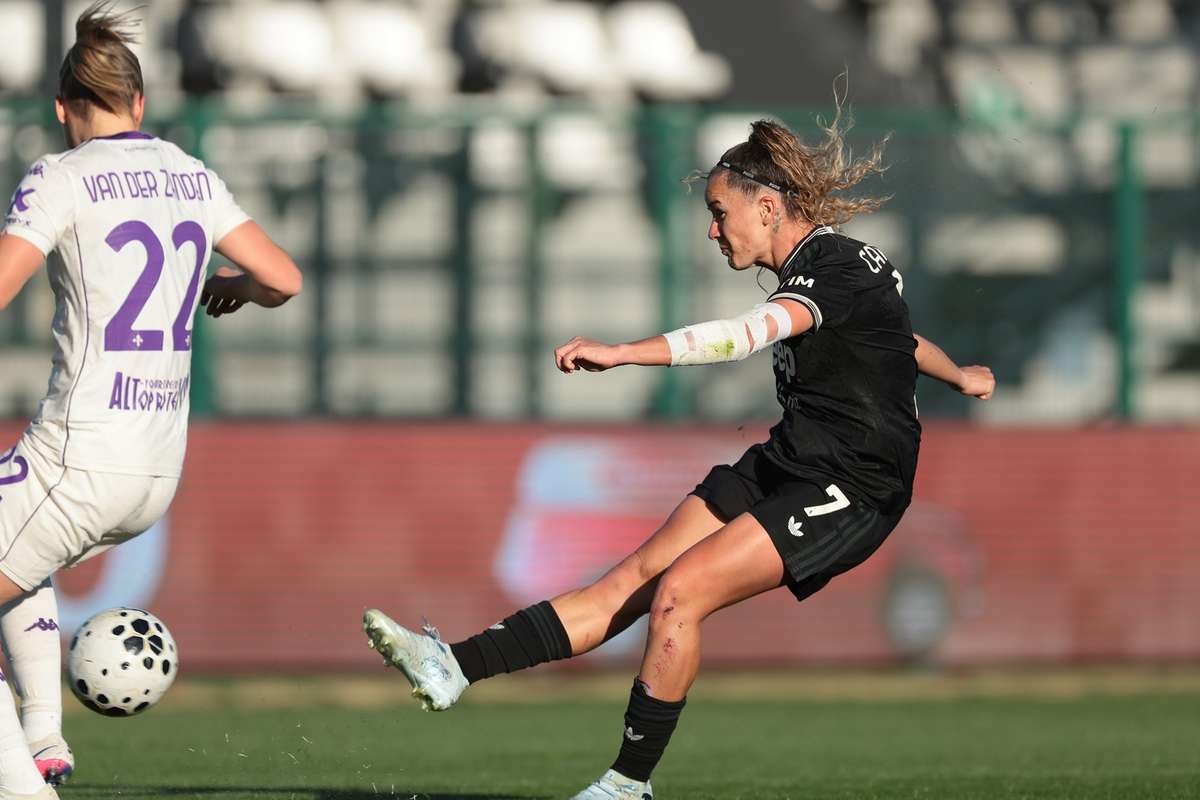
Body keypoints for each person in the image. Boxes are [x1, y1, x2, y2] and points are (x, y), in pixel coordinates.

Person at [363, 111, 994, 800]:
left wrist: (627, 351)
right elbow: (896, 337)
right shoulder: (845, 267)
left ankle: (628, 786)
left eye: (721, 213)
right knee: (630, 581)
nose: (713, 230)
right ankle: (452, 665)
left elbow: (749, 333)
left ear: (768, 205)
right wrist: (959, 373)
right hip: (792, 459)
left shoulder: (832, 269)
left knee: (679, 594)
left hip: (856, 483)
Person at [0, 4, 301, 798]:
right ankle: (42, 736)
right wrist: (230, 286)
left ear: (63, 109)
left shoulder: (59, 175)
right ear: (140, 105)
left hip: (78, 454)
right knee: (13, 549)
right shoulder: (190, 173)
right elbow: (284, 279)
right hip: (156, 473)